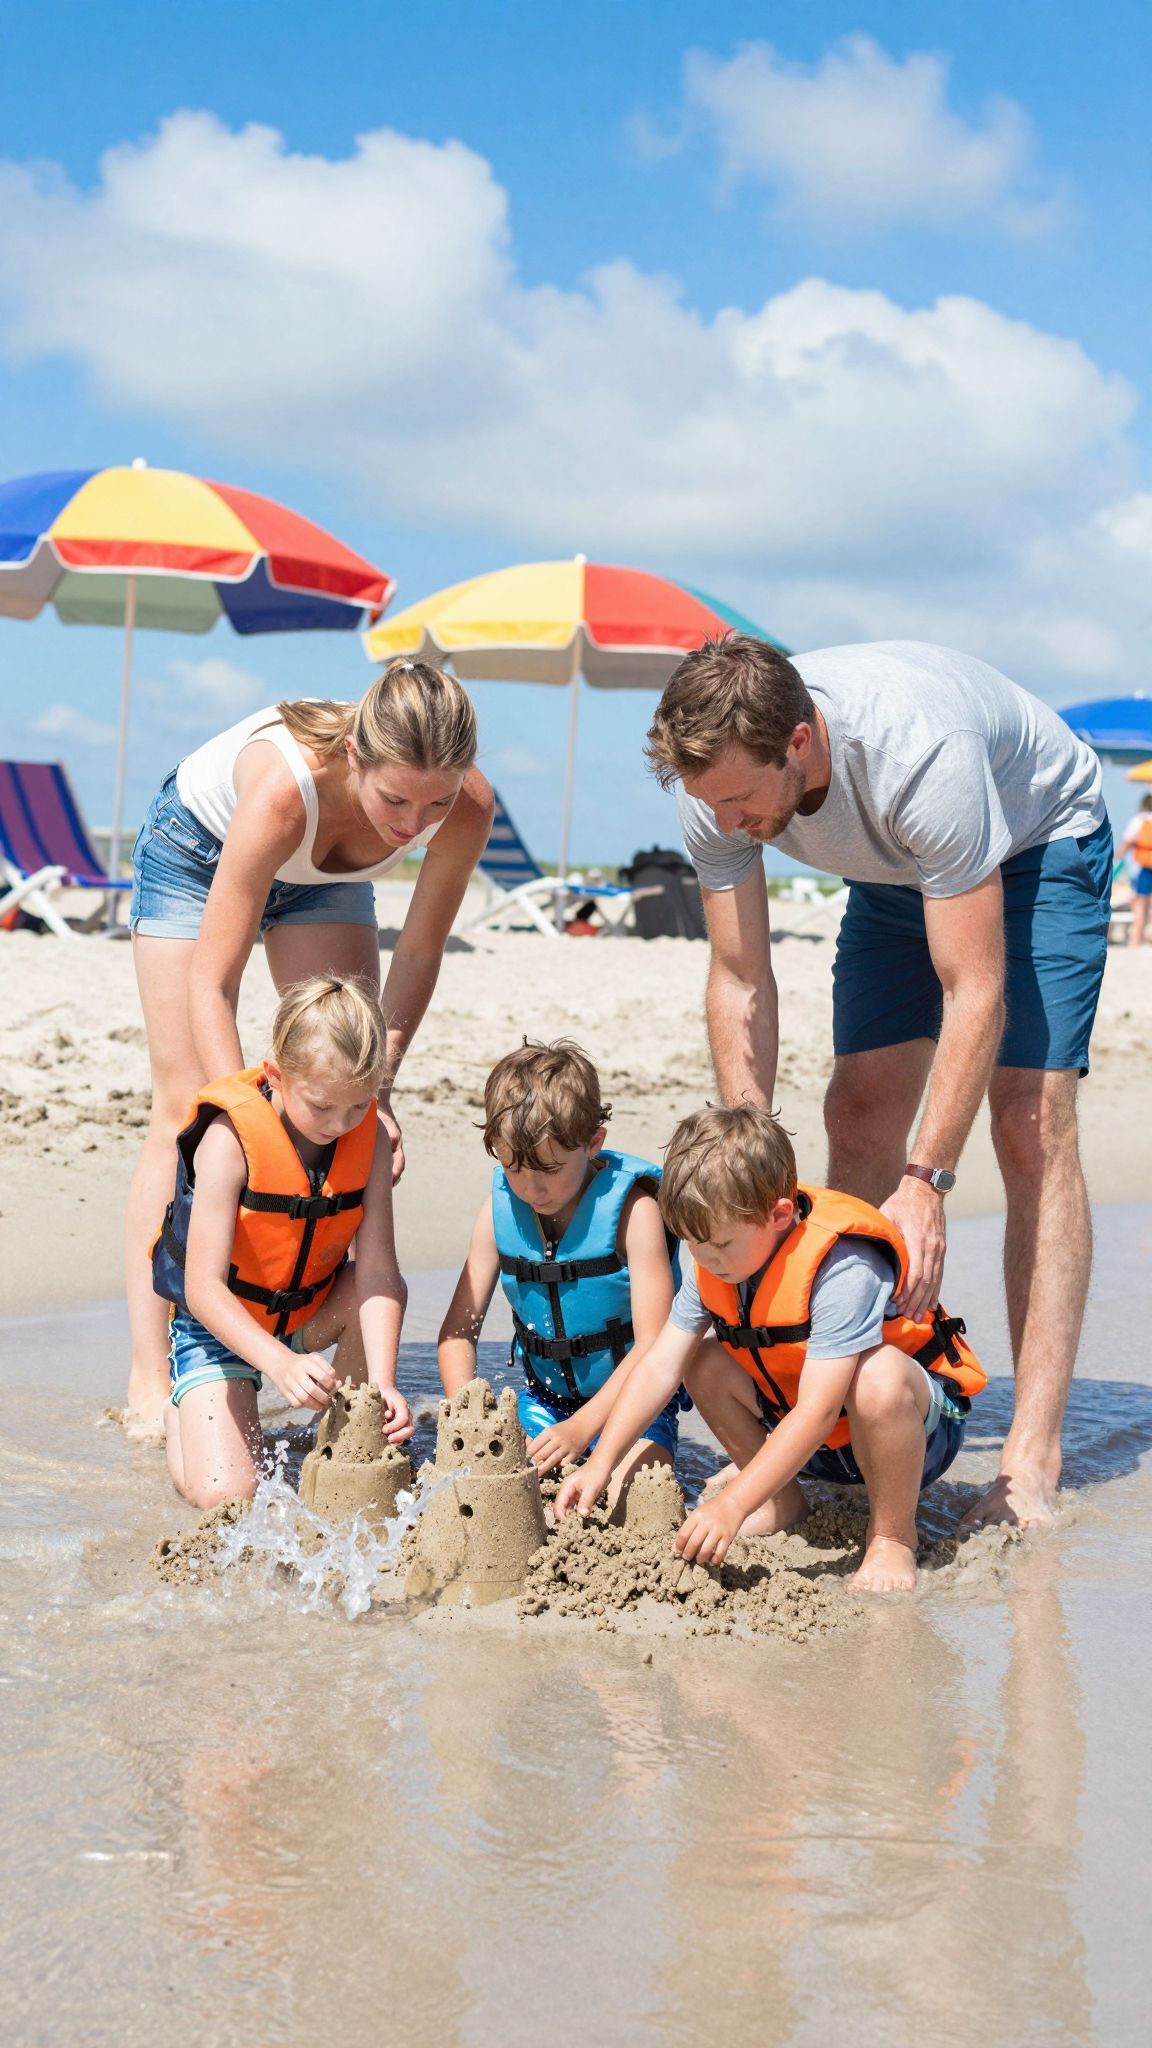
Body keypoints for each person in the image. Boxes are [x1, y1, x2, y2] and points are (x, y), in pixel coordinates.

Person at [645, 636, 1112, 1529]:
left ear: (800, 742)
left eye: (742, 797)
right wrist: (748, 1158)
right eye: (711, 802)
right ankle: (825, 1402)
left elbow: (974, 989)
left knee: (1027, 1117)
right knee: (856, 1105)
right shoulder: (714, 795)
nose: (729, 821)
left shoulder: (915, 755)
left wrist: (926, 1183)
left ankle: (1029, 1459)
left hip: (1037, 838)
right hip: (897, 866)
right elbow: (742, 978)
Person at [126, 659, 493, 1433]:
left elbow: (420, 953)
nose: (411, 825)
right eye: (396, 799)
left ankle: (352, 1397)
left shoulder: (464, 808)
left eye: (437, 802)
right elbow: (211, 983)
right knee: (183, 1114)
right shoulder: (281, 790)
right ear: (355, 754)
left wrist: (379, 1092)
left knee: (348, 1108)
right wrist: (244, 1122)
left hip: (324, 878)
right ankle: (149, 1373)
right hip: (197, 849)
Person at [556, 1105, 986, 1593]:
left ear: (780, 1215)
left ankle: (892, 1536)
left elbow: (820, 1411)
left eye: (718, 1243)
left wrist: (733, 1503)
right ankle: (782, 1500)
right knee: (702, 1359)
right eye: (693, 1244)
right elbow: (660, 1365)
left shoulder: (844, 1269)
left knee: (876, 1376)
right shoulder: (715, 1257)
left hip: (914, 1434)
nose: (705, 1259)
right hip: (813, 1440)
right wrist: (601, 1461)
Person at [153, 975, 411, 1509]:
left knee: (339, 1463)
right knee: (230, 1496)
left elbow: (380, 1275)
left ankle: (330, 1435)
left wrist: (384, 1383)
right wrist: (279, 1365)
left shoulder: (369, 1143)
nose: (339, 1125)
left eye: (358, 1107)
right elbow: (201, 1288)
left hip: (307, 1310)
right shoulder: (229, 1143)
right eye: (321, 1107)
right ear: (276, 1074)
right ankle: (180, 1411)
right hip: (219, 1328)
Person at [437, 1039, 680, 1505]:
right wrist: (468, 1416)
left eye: (549, 1168)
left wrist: (585, 1429)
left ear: (593, 1144)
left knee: (634, 1494)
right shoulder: (495, 1214)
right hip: (545, 1403)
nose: (532, 1188)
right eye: (512, 1168)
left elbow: (655, 1347)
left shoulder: (636, 1212)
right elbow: (457, 1334)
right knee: (500, 1486)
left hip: (637, 1404)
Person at [1117, 793, 1152, 948]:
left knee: (1139, 903)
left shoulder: (1139, 821)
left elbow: (1127, 842)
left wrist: (1116, 859)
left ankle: (1137, 939)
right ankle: (1146, 937)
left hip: (1142, 867)